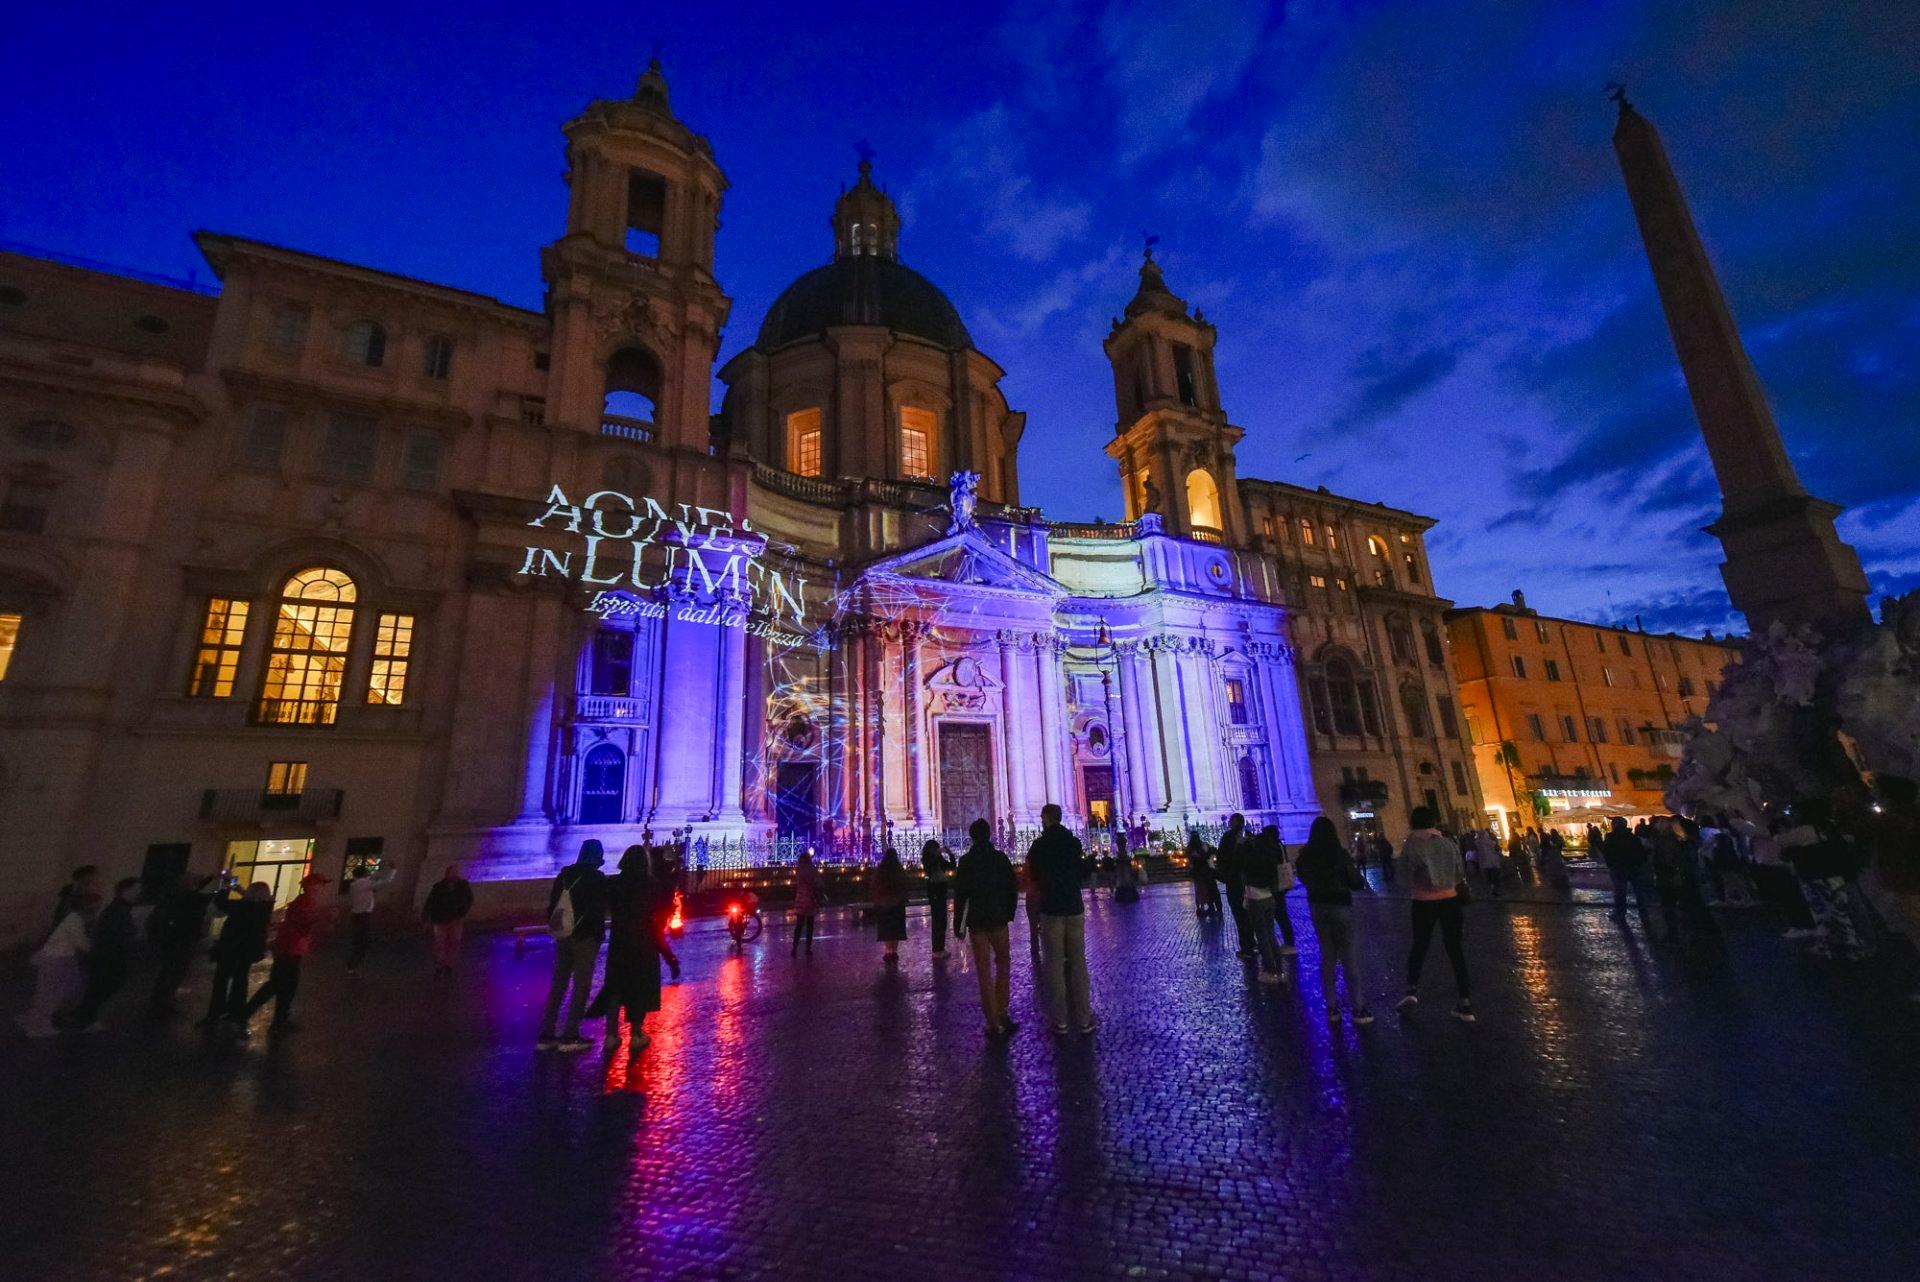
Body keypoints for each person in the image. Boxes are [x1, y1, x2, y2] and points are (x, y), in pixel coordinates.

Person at [1396, 806, 1473, 1021]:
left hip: (1423, 903)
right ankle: (1465, 1002)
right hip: (1450, 901)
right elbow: (1459, 874)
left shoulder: (1412, 846)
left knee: (1419, 946)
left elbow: (1402, 876)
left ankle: (1411, 991)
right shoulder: (1449, 844)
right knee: (1455, 949)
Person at [1296, 816, 1371, 1023]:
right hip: (1340, 905)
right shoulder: (1340, 854)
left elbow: (1302, 876)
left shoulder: (1305, 856)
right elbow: (1356, 881)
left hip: (1318, 906)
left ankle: (1331, 1007)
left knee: (1327, 956)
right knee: (1348, 957)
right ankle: (1358, 1008)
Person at [1026, 803, 1094, 1034]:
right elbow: (1083, 872)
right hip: (1073, 907)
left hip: (1051, 908)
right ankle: (1084, 1019)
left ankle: (1061, 1020)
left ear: (1045, 818)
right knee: (1078, 962)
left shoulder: (1039, 845)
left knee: (1053, 964)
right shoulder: (1073, 842)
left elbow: (1033, 874)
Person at [538, 841, 608, 1052]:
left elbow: (553, 905)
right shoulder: (596, 878)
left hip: (564, 935)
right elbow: (598, 909)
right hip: (585, 937)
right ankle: (570, 1035)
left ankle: (546, 1035)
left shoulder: (565, 875)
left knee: (558, 984)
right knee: (581, 986)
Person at [241, 873, 332, 1035]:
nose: (322, 888)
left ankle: (280, 1019)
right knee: (277, 984)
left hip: (292, 947)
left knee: (287, 986)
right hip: (288, 947)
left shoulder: (305, 901)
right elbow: (305, 921)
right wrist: (325, 918)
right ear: (311, 886)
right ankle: (246, 1015)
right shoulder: (305, 902)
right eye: (320, 884)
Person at [953, 818, 1019, 1036]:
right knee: (1003, 963)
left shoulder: (966, 862)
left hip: (977, 923)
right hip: (998, 919)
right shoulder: (1000, 858)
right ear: (990, 834)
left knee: (983, 969)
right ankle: (1002, 1010)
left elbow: (960, 896)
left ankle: (992, 1019)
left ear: (971, 837)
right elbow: (1012, 888)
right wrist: (1009, 914)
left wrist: (958, 925)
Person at [599, 845, 662, 1058]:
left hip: (619, 942)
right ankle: (636, 1034)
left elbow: (604, 906)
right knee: (639, 987)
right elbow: (659, 913)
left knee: (615, 988)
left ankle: (610, 1035)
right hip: (643, 942)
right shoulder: (650, 885)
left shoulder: (613, 884)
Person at [68, 877, 141, 1031]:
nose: (139, 891)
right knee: (104, 986)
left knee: (99, 987)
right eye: (137, 888)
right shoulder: (118, 910)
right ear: (126, 890)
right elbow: (115, 936)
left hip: (107, 957)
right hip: (109, 958)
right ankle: (86, 1018)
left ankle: (85, 1015)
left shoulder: (118, 908)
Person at [201, 879, 274, 1030]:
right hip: (248, 950)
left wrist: (226, 887)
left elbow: (222, 903)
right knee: (240, 980)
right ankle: (236, 1011)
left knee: (221, 981)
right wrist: (240, 890)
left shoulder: (242, 906)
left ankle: (215, 1014)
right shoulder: (264, 908)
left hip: (231, 948)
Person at [20, 887, 93, 1037]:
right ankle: (38, 1026)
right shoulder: (75, 920)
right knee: (52, 993)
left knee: (45, 991)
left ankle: (33, 1020)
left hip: (52, 957)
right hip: (58, 959)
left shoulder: (70, 917)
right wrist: (94, 944)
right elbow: (82, 944)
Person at [147, 872, 218, 1016]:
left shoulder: (177, 895)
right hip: (182, 938)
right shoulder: (190, 898)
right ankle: (161, 1004)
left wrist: (210, 878)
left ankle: (159, 1002)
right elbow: (201, 898)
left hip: (174, 937)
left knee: (169, 971)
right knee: (174, 971)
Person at [1238, 825, 1287, 984]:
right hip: (1269, 898)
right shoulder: (1270, 858)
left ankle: (1270, 970)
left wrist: (1244, 846)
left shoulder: (1251, 859)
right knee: (1271, 934)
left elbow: (1242, 868)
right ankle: (1279, 969)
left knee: (1262, 937)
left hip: (1255, 898)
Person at [1602, 817, 1660, 938]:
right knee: (1639, 891)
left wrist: (1611, 864)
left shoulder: (1610, 837)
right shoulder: (1632, 837)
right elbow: (1641, 852)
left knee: (1620, 892)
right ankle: (1643, 912)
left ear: (1614, 825)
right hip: (1634, 867)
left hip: (1619, 868)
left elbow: (1606, 852)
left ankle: (1620, 913)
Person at [421, 864, 474, 978]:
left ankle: (448, 965)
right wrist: (426, 919)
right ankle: (441, 964)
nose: (453, 875)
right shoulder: (438, 887)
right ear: (447, 874)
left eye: (455, 873)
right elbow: (430, 903)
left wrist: (463, 911)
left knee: (453, 943)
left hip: (455, 919)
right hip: (440, 919)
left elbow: (469, 899)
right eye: (452, 873)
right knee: (440, 943)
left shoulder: (462, 886)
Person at [345, 863, 396, 974]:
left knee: (359, 941)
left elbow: (373, 878)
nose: (369, 874)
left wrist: (379, 870)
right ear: (364, 874)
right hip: (363, 916)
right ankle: (351, 967)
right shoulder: (365, 884)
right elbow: (386, 882)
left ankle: (352, 966)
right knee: (362, 943)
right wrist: (393, 870)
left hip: (356, 915)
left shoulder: (354, 885)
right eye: (368, 872)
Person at [1217, 813, 1255, 956]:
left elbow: (1221, 859)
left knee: (1240, 915)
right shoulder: (1250, 837)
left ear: (1233, 822)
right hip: (1251, 882)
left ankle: (1246, 947)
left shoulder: (1227, 838)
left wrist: (1224, 876)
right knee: (1251, 914)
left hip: (1235, 882)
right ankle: (1254, 942)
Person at [870, 847, 910, 962]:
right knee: (895, 928)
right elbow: (904, 884)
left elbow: (875, 885)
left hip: (884, 903)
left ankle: (888, 950)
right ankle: (894, 950)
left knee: (887, 928)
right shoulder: (899, 870)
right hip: (897, 903)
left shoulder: (881, 870)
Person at [921, 839, 954, 956]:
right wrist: (937, 854)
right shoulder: (929, 860)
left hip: (941, 892)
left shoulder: (938, 859)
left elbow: (952, 866)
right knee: (937, 921)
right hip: (935, 893)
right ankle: (937, 949)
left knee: (942, 921)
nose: (938, 850)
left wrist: (950, 854)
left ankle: (940, 947)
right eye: (935, 848)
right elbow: (931, 867)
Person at [791, 848, 823, 957]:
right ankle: (808, 948)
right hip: (810, 899)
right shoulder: (812, 870)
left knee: (799, 925)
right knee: (810, 925)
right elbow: (818, 883)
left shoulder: (798, 870)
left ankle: (794, 947)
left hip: (800, 899)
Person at [1188, 833, 1220, 917]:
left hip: (1198, 872)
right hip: (1205, 870)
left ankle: (1205, 907)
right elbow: (1207, 855)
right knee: (1209, 889)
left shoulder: (1191, 848)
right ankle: (1213, 907)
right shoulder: (1201, 845)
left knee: (1201, 890)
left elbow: (1192, 859)